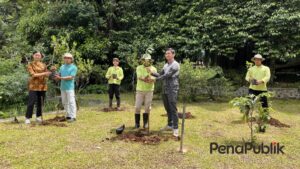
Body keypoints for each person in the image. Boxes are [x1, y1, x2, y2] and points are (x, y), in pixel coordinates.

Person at [148, 48, 180, 137]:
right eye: (166, 54)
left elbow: (166, 75)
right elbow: (160, 74)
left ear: (173, 54)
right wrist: (152, 73)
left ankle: (176, 128)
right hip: (165, 88)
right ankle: (170, 125)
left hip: (172, 88)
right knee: (167, 108)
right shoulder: (165, 65)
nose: (167, 55)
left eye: (169, 53)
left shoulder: (175, 65)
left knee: (173, 108)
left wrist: (155, 80)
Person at [245, 54, 271, 131]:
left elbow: (267, 76)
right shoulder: (251, 69)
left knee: (264, 104)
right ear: (254, 60)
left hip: (262, 89)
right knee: (249, 102)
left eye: (258, 59)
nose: (257, 61)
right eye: (255, 59)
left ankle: (265, 117)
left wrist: (261, 81)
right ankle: (246, 116)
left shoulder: (266, 68)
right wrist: (251, 80)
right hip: (252, 89)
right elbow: (247, 77)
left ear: (261, 60)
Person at [25, 52, 52, 124]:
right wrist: (44, 73)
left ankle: (38, 117)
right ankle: (27, 118)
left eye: (39, 55)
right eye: (36, 55)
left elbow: (47, 75)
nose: (37, 56)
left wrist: (51, 71)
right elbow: (33, 75)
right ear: (33, 56)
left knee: (41, 102)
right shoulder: (30, 64)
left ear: (41, 57)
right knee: (31, 102)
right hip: (33, 86)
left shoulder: (44, 65)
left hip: (42, 86)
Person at [134, 54, 157, 129]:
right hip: (140, 90)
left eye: (148, 60)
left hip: (149, 91)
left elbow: (153, 79)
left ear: (150, 61)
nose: (146, 62)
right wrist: (147, 79)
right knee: (137, 107)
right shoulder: (139, 67)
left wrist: (148, 78)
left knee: (147, 107)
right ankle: (137, 123)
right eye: (144, 60)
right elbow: (140, 77)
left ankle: (145, 123)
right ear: (142, 60)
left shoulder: (154, 68)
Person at [55, 53, 78, 122]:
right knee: (64, 102)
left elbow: (71, 77)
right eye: (65, 58)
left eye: (68, 58)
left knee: (71, 102)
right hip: (62, 87)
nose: (67, 59)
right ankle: (68, 116)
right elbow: (58, 74)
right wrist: (54, 73)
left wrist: (60, 77)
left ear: (71, 59)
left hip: (70, 87)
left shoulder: (74, 67)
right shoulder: (62, 66)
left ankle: (73, 117)